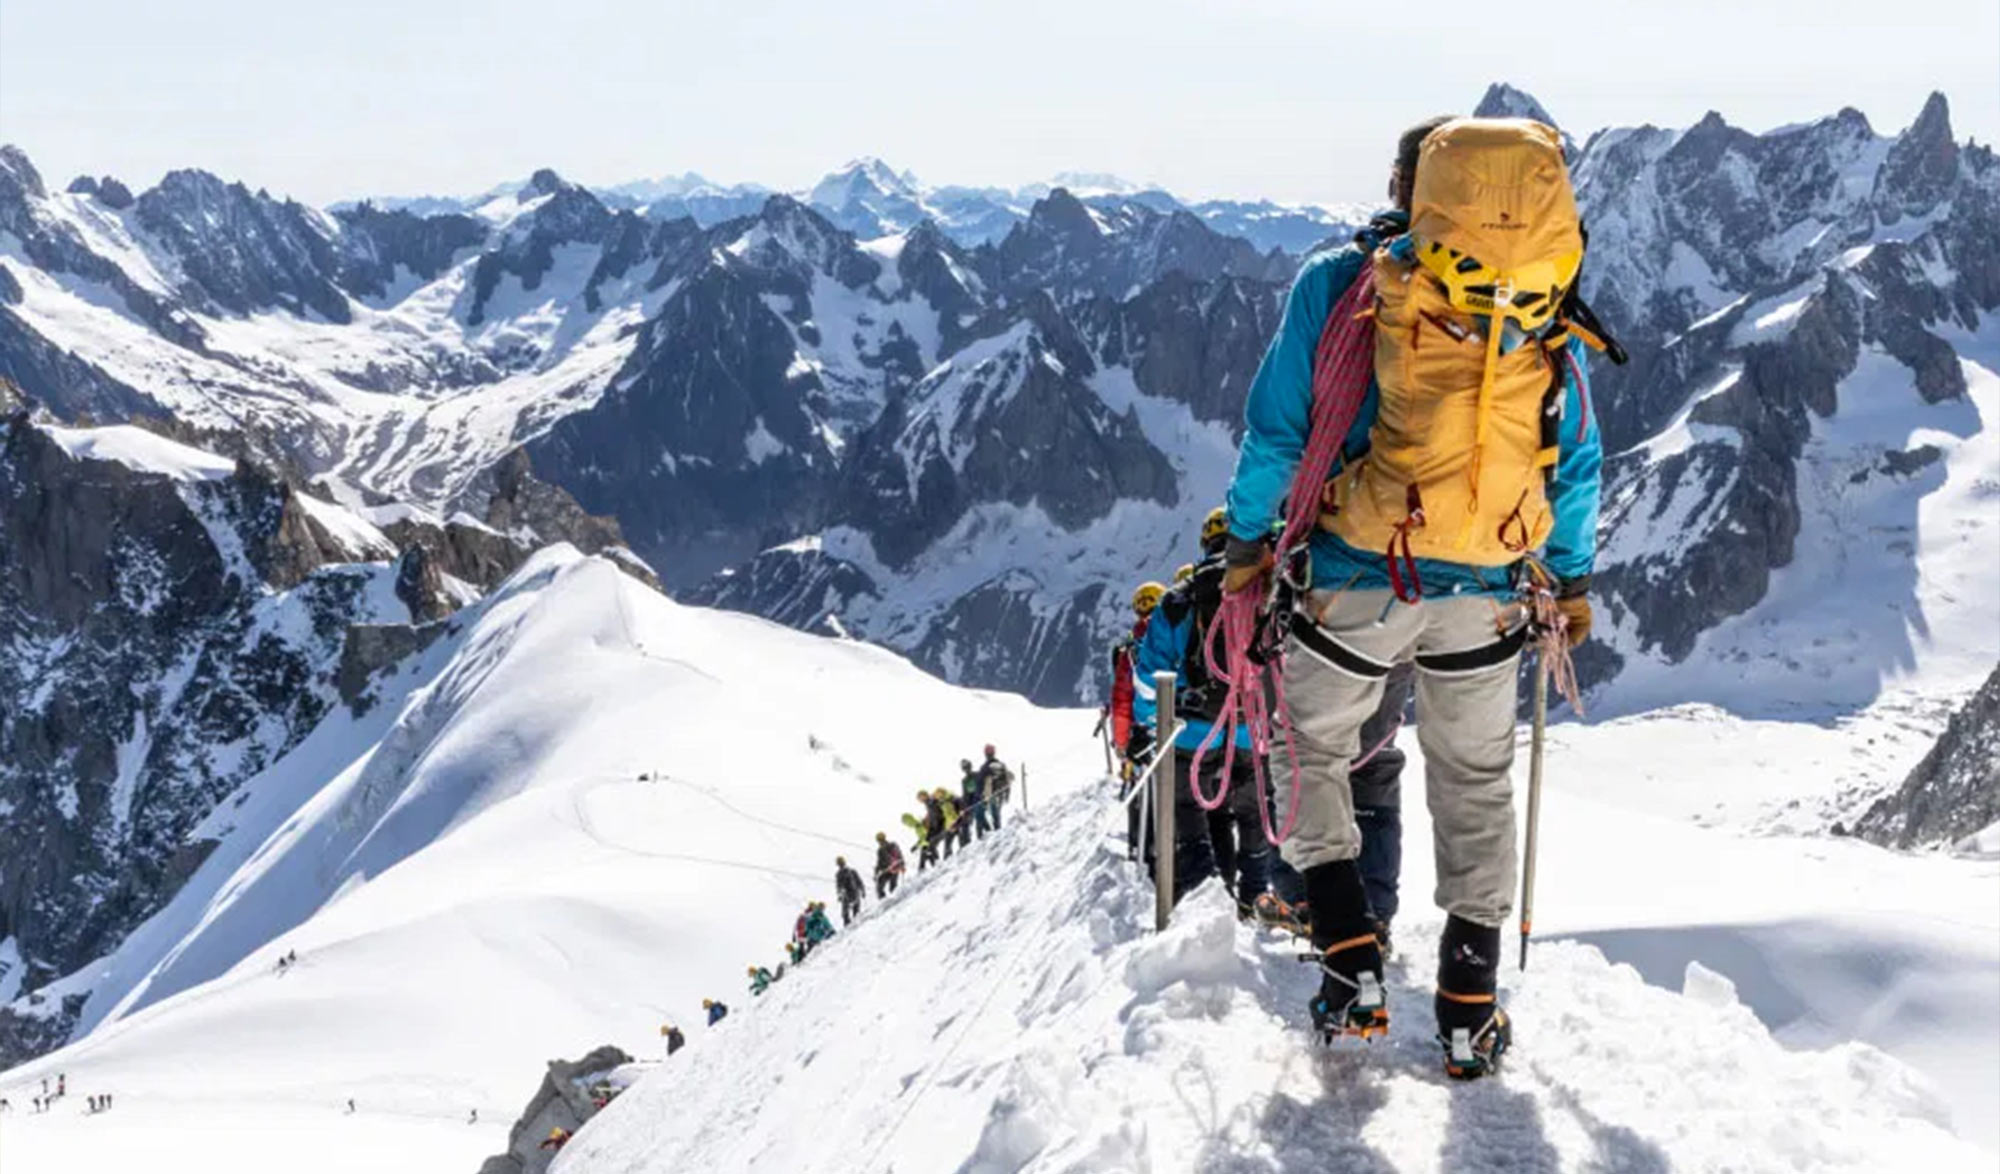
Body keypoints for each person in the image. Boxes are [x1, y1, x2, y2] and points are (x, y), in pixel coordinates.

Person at [1220, 115, 1602, 1079]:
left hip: (1354, 575)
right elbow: (1575, 457)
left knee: (1308, 750)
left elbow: (1276, 432)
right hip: (1488, 590)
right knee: (1473, 783)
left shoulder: (1341, 283)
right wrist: (1575, 577)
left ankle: (1350, 968)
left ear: (1410, 186)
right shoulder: (1542, 301)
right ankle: (1470, 1009)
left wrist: (1250, 545)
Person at [1133, 507, 1272, 915]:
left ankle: (1204, 898)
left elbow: (1148, 676)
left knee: (1187, 810)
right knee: (1250, 813)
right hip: (1251, 726)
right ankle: (1255, 893)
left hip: (1193, 730)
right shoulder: (1269, 587)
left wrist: (1153, 723)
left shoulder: (1180, 599)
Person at [977, 746, 1012, 828]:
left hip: (993, 793)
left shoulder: (991, 766)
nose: (988, 755)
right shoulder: (996, 765)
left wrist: (980, 795)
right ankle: (993, 831)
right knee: (989, 815)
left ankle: (996, 832)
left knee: (994, 814)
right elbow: (1007, 780)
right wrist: (1007, 794)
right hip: (993, 793)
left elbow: (980, 781)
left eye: (989, 753)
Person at [959, 759, 990, 842]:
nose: (966, 770)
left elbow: (985, 785)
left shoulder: (977, 775)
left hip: (980, 798)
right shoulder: (964, 781)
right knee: (968, 820)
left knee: (979, 816)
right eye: (964, 768)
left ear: (970, 766)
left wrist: (985, 796)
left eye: (967, 767)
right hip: (971, 801)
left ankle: (984, 834)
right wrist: (965, 807)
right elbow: (965, 794)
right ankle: (987, 831)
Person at [931, 789, 960, 861]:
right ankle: (948, 859)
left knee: (950, 842)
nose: (937, 797)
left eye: (938, 795)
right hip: (949, 826)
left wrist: (955, 824)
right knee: (947, 844)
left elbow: (953, 814)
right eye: (936, 796)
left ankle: (951, 859)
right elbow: (945, 816)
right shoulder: (942, 803)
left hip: (954, 824)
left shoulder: (948, 801)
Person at [835, 856, 866, 924]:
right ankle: (854, 925)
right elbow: (859, 881)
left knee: (847, 913)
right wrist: (863, 890)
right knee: (854, 911)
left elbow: (839, 886)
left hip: (848, 894)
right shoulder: (851, 871)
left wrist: (839, 894)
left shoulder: (840, 874)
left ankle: (851, 926)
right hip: (853, 893)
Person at [874, 831, 905, 898]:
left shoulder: (880, 850)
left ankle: (883, 900)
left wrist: (876, 872)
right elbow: (900, 855)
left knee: (880, 886)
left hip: (888, 869)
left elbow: (880, 863)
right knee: (893, 887)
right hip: (896, 867)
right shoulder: (893, 845)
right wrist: (902, 865)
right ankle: (898, 898)